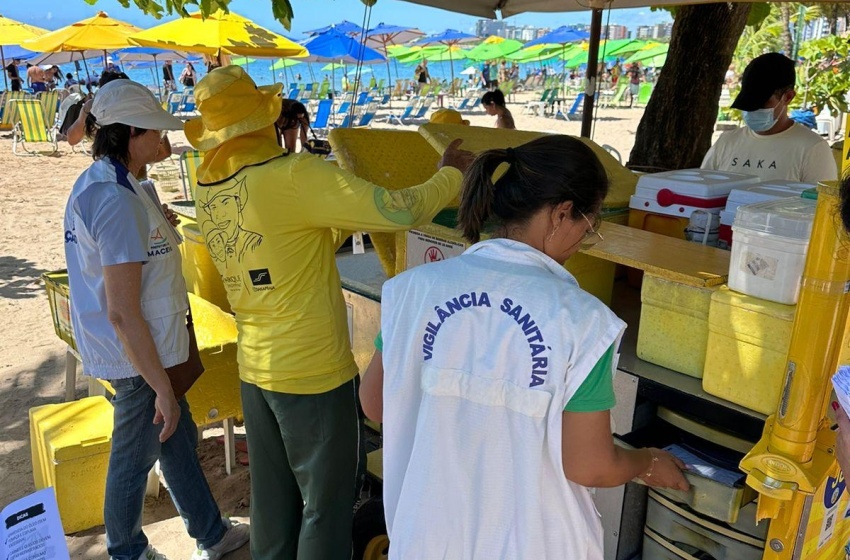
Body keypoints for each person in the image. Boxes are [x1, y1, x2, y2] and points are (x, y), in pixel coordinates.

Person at [184, 65, 471, 560]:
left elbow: (295, 242)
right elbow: (400, 209)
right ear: (265, 119)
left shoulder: (207, 186)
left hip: (255, 371)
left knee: (273, 505)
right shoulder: (296, 175)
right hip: (313, 375)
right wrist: (451, 173)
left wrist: (335, 202)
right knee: (326, 507)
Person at [359, 135, 689, 559]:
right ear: (561, 214)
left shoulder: (411, 291)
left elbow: (375, 403)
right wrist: (646, 462)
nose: (584, 241)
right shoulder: (582, 321)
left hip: (427, 538)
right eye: (589, 228)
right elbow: (591, 465)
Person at [62, 78, 250, 560]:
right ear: (128, 134)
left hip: (147, 350)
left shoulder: (122, 184)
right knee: (135, 457)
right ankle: (127, 550)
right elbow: (123, 312)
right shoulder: (115, 199)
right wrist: (161, 386)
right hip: (137, 359)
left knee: (178, 440)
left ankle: (210, 533)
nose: (165, 140)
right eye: (155, 131)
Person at [701, 53, 838, 183]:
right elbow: (701, 190)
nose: (752, 110)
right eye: (747, 103)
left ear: (788, 97)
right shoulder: (726, 142)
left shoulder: (812, 148)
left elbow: (822, 204)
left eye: (761, 104)